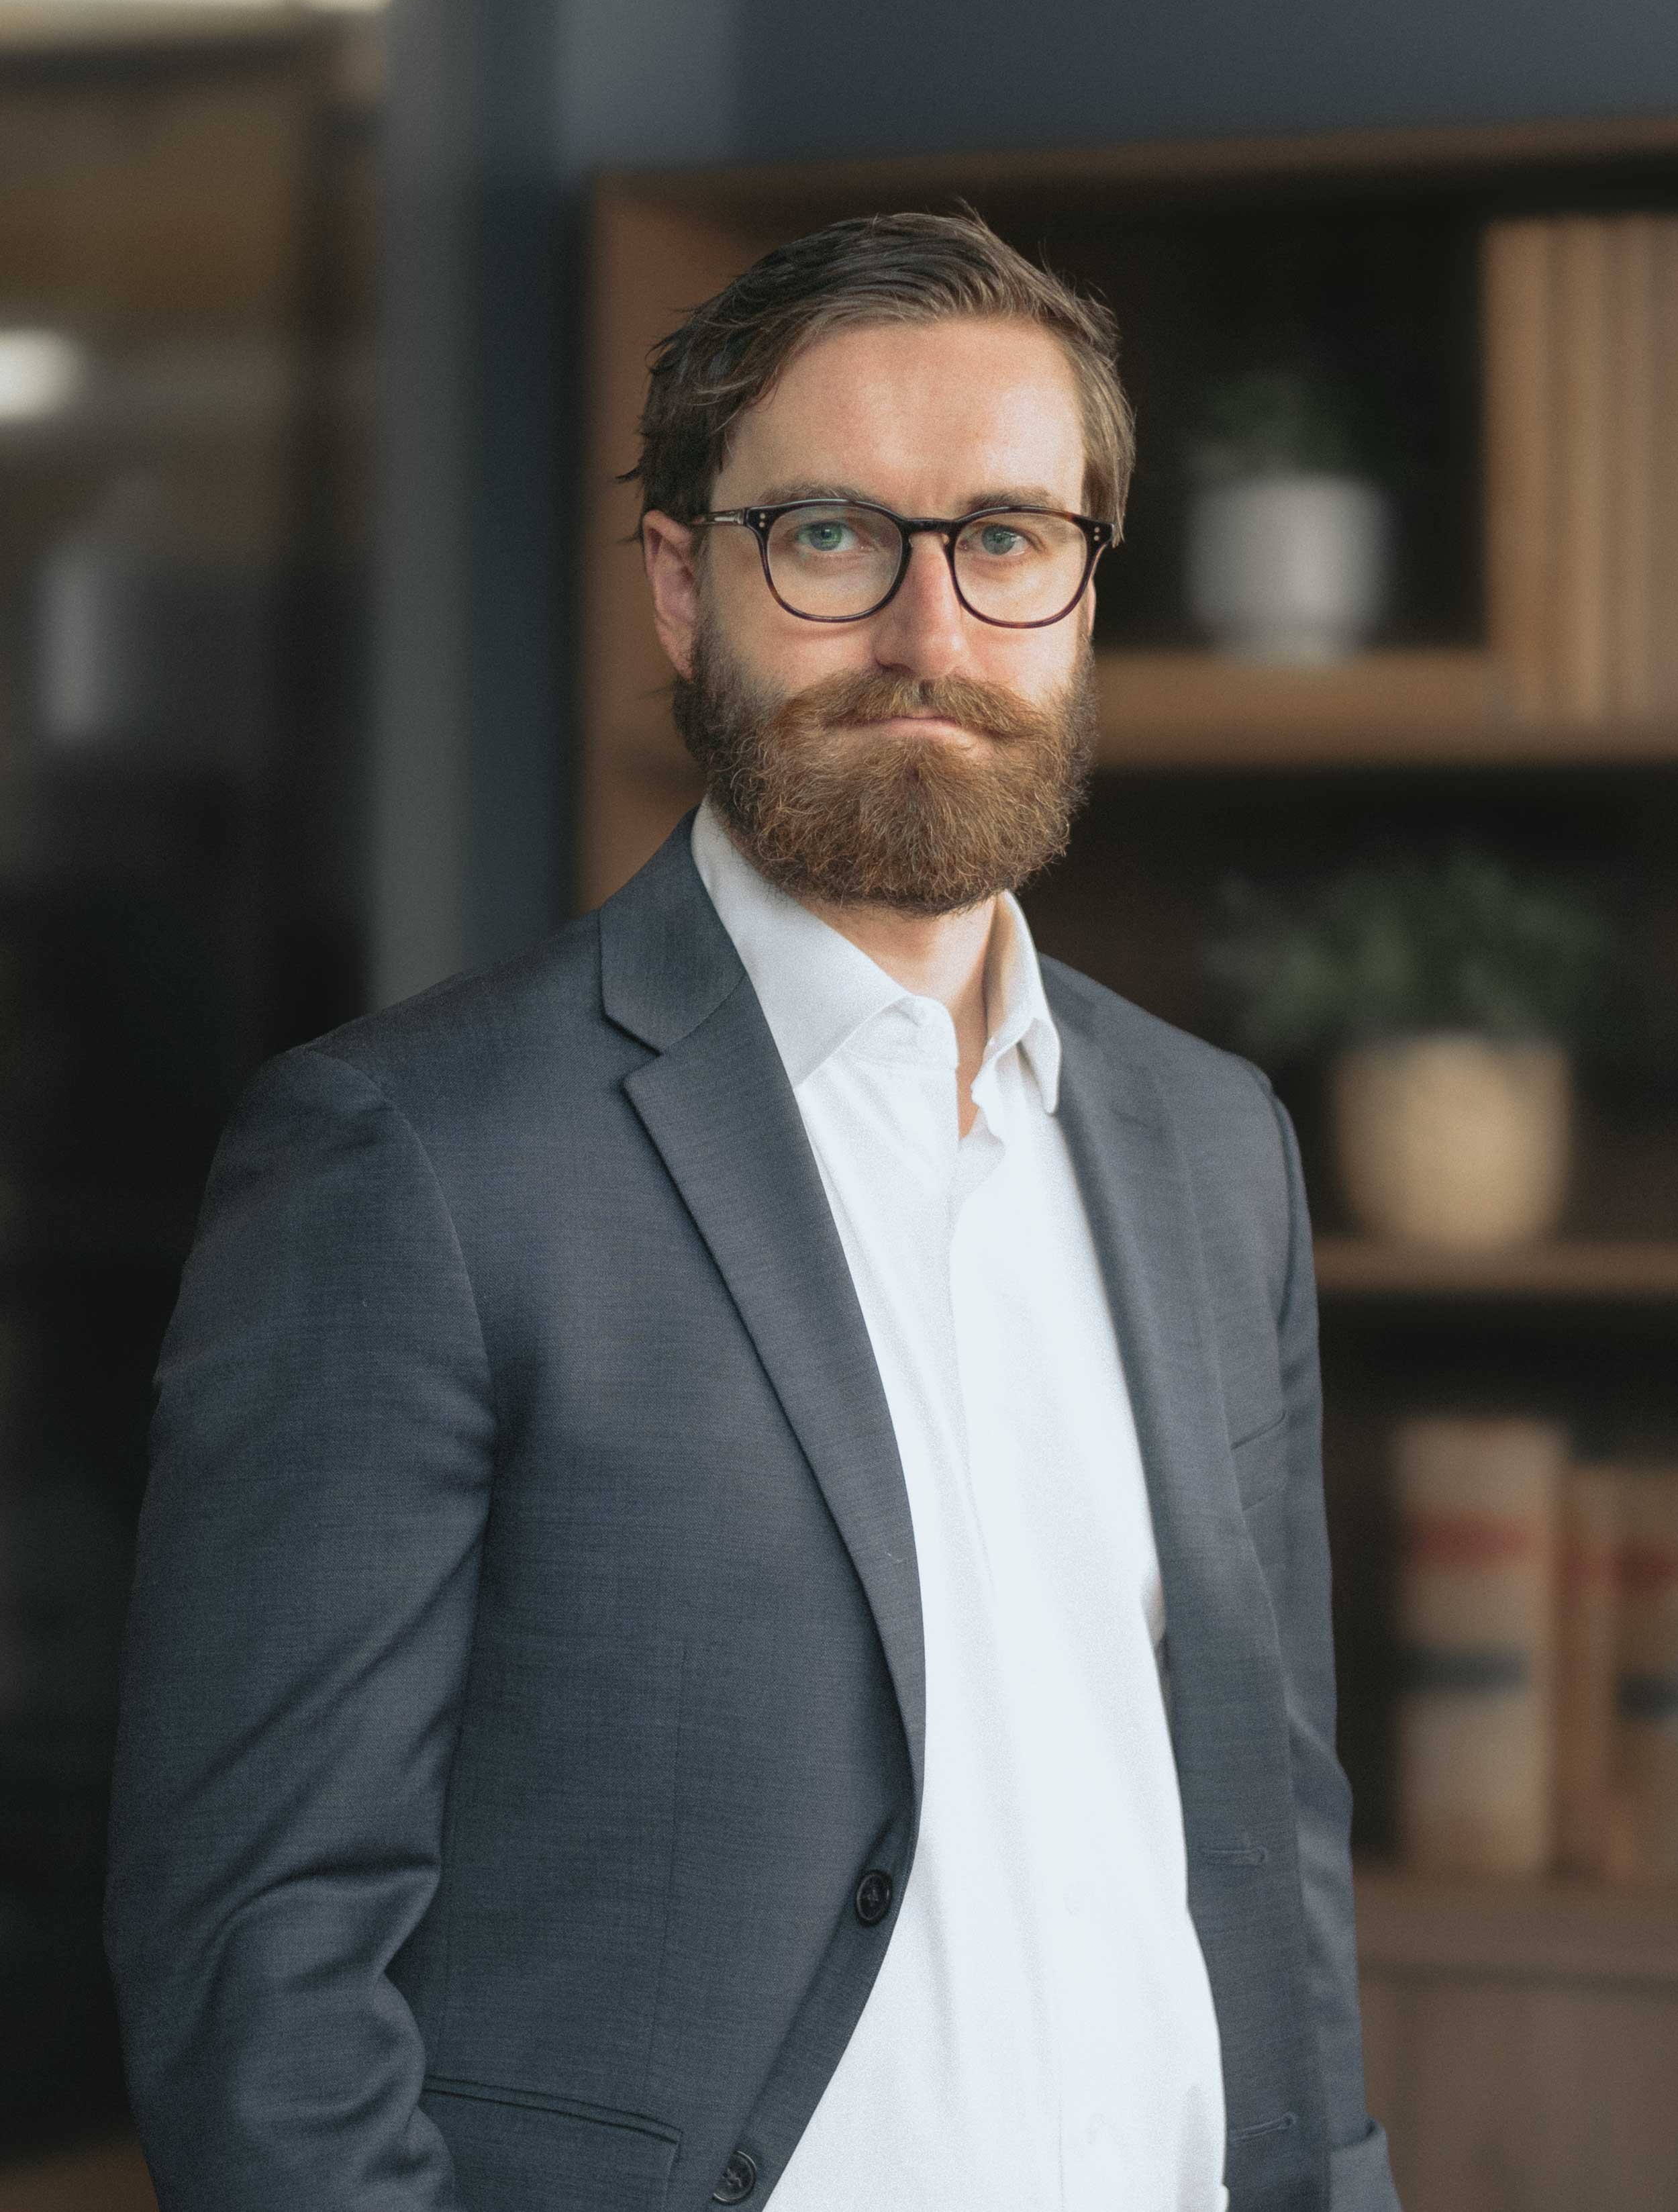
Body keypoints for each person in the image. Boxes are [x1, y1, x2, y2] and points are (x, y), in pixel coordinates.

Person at [106, 210, 1400, 2212]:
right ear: (678, 583)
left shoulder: (1214, 1147)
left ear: (1078, 585)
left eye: (1005, 539)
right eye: (829, 536)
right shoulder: (409, 1156)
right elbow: (259, 1960)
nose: (929, 633)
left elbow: (1266, 1827)